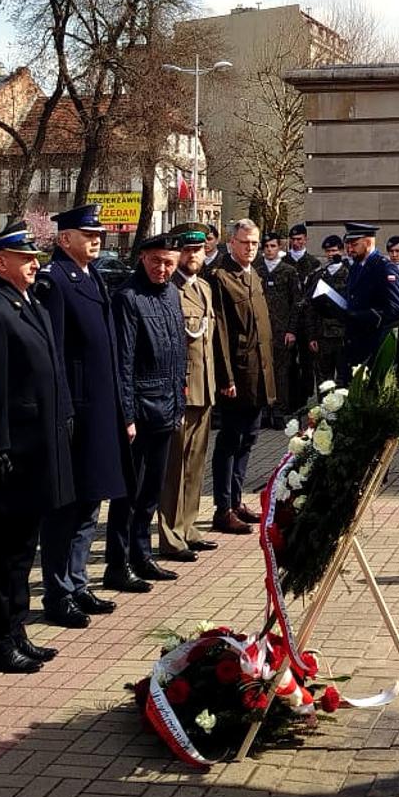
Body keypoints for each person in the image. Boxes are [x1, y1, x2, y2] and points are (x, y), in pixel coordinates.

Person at [0, 221, 73, 672]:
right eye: (25, 258)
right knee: (4, 554)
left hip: (40, 447)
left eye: (35, 258)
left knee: (24, 548)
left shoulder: (32, 305)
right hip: (14, 453)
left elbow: (52, 370)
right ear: (0, 263)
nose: (35, 264)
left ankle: (17, 630)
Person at [36, 204, 133, 622]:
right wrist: (63, 410)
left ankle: (78, 583)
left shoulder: (91, 276)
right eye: (87, 233)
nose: (96, 239)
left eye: (99, 234)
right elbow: (54, 351)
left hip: (100, 408)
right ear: (64, 239)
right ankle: (58, 593)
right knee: (67, 508)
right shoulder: (56, 280)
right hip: (76, 410)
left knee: (91, 500)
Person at [105, 233, 187, 590]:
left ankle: (142, 555)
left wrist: (179, 402)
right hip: (140, 406)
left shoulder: (172, 294)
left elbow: (179, 350)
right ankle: (117, 564)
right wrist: (127, 414)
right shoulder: (127, 297)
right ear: (143, 258)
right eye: (156, 261)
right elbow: (122, 361)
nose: (163, 269)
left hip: (167, 405)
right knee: (128, 492)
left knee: (152, 489)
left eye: (169, 262)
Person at [157, 225, 227, 561]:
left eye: (198, 251)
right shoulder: (169, 291)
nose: (193, 256)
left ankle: (188, 526)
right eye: (187, 251)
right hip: (182, 389)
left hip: (205, 387)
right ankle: (170, 534)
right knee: (175, 466)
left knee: (195, 464)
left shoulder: (204, 288)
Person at [206, 218, 280, 535]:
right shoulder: (221, 278)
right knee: (230, 441)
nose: (250, 248)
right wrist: (226, 378)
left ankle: (236, 500)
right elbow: (220, 333)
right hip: (237, 375)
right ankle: (222, 509)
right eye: (244, 242)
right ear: (231, 243)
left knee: (248, 439)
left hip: (259, 373)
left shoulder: (254, 275)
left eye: (254, 243)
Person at [338, 222, 399, 380]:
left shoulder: (384, 268)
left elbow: (396, 309)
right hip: (355, 343)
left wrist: (359, 316)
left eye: (354, 244)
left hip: (374, 343)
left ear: (367, 243)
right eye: (348, 244)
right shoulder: (356, 267)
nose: (349, 249)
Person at [256, 228, 302, 427]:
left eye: (272, 246)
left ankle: (279, 410)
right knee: (262, 371)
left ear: (279, 247)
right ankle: (265, 409)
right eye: (265, 246)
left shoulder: (289, 271)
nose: (269, 250)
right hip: (260, 330)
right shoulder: (255, 270)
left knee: (281, 373)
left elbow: (296, 303)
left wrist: (292, 330)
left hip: (282, 331)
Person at [302, 235, 351, 391]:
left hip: (343, 336)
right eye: (328, 251)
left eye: (334, 250)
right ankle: (325, 413)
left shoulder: (350, 274)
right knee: (324, 381)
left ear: (342, 251)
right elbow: (310, 308)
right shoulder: (318, 275)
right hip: (322, 335)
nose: (330, 254)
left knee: (344, 379)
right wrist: (311, 337)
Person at [283, 223, 320, 410]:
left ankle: (305, 395)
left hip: (307, 320)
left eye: (300, 239)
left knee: (307, 362)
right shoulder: (285, 263)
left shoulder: (313, 263)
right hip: (289, 319)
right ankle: (292, 398)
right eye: (293, 239)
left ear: (305, 239)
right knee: (289, 362)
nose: (296, 243)